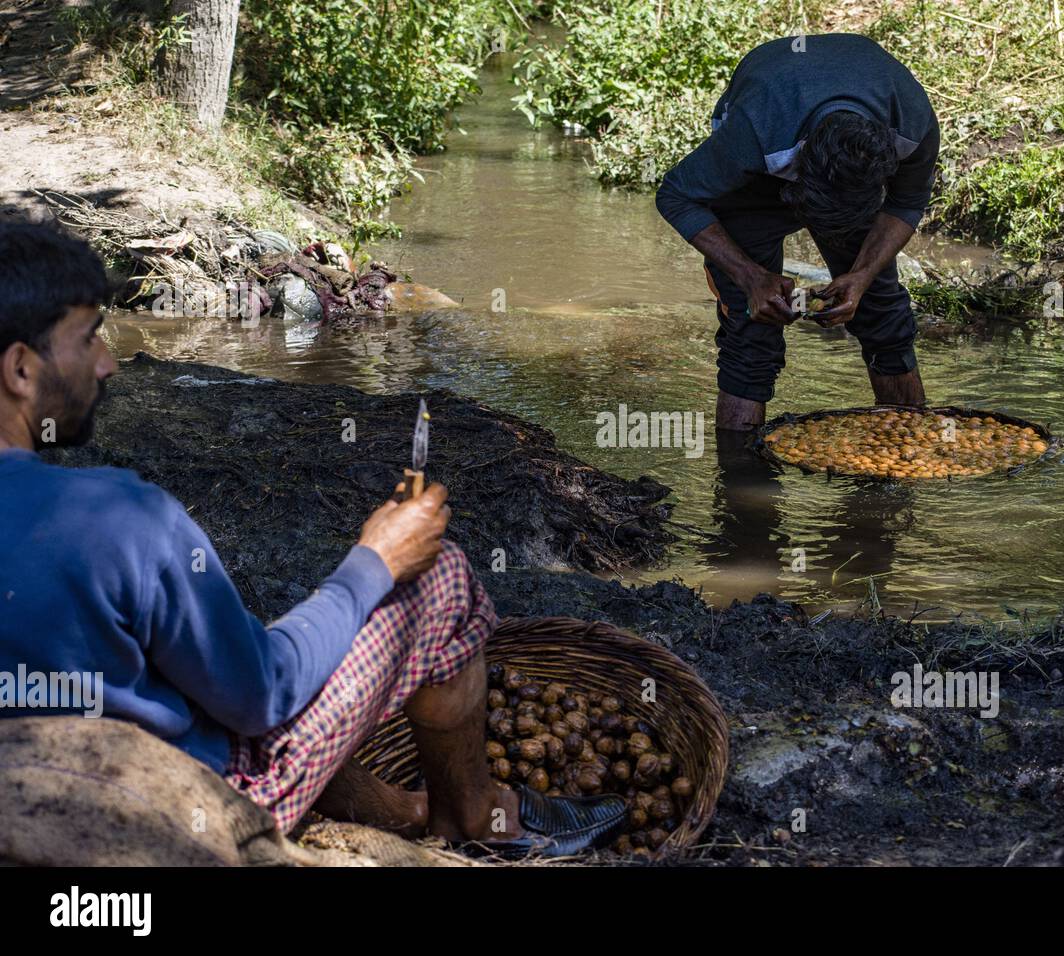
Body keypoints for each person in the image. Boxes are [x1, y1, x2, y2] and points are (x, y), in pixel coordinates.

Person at [0, 221, 625, 857]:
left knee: (204, 651)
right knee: (442, 581)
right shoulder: (122, 516)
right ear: (21, 369)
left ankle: (406, 811)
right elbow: (264, 695)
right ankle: (477, 818)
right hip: (170, 805)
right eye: (89, 337)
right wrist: (373, 563)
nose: (108, 361)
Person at [656, 33, 940, 430]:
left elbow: (905, 204)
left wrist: (861, 276)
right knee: (754, 328)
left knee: (882, 314)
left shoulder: (910, 122)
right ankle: (742, 483)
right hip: (760, 177)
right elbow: (675, 195)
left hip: (842, 167)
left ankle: (910, 450)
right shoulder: (753, 132)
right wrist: (751, 277)